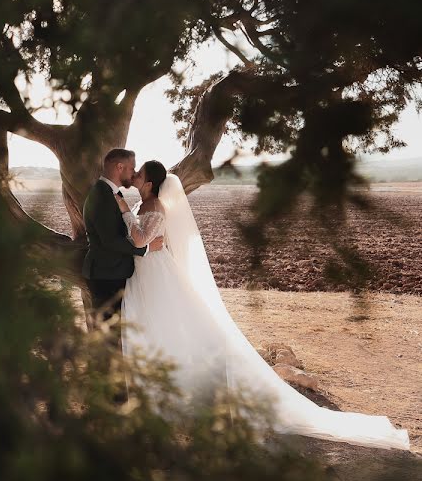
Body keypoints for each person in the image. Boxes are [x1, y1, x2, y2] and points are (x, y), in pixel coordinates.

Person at [115, 159, 410, 450]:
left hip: (155, 275)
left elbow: (141, 240)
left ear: (150, 183)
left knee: (165, 326)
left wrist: (126, 213)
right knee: (155, 327)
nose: (135, 176)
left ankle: (179, 391)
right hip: (146, 273)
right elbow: (146, 242)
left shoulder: (152, 207)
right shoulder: (146, 206)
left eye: (139, 173)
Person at [81, 149, 164, 328]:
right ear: (120, 167)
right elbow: (110, 241)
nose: (133, 173)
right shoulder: (103, 195)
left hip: (111, 272)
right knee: (108, 333)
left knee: (113, 331)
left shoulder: (109, 193)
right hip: (106, 274)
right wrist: (146, 249)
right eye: (132, 168)